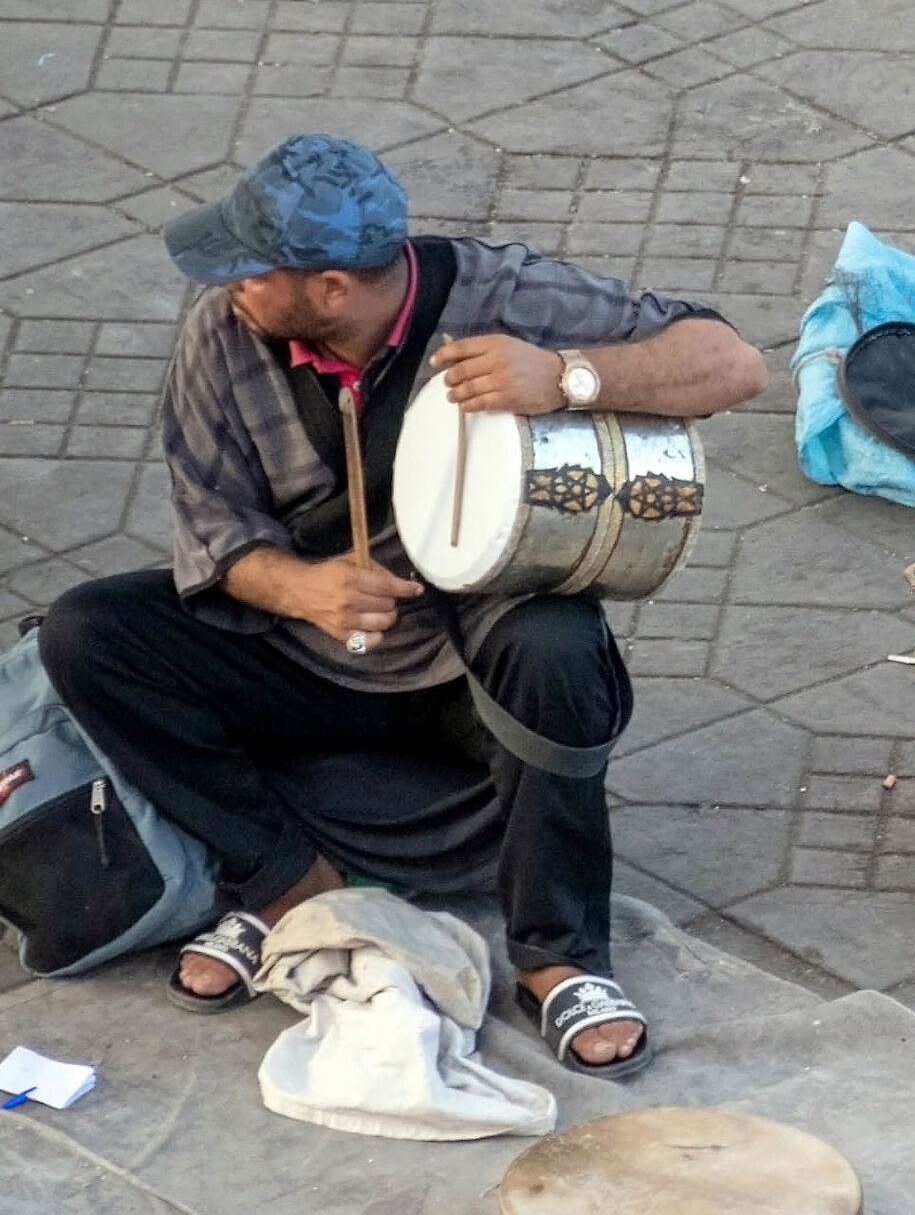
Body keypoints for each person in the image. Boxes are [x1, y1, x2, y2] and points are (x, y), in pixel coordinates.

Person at [37, 135, 769, 1077]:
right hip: (309, 649)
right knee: (91, 631)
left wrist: (570, 377)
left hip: (471, 652)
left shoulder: (501, 294)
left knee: (560, 641)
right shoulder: (221, 331)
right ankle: (289, 881)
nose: (231, 289)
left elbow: (732, 363)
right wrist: (298, 586)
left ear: (333, 286)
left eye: (255, 274)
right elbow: (214, 531)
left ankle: (558, 955)